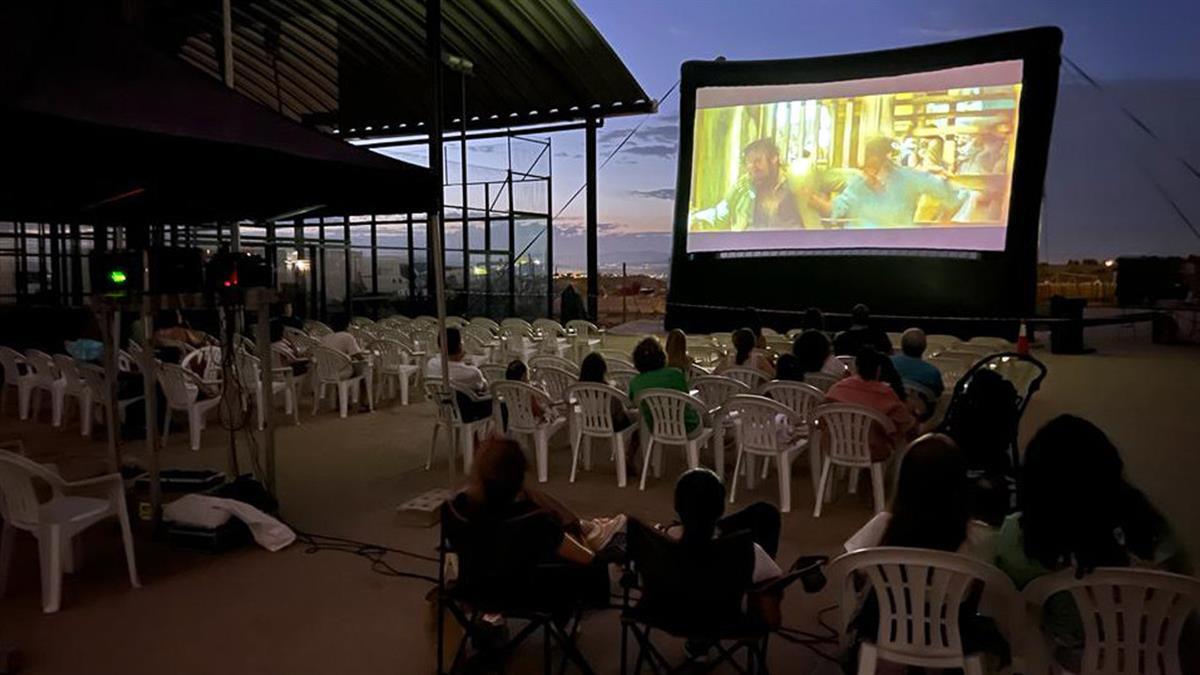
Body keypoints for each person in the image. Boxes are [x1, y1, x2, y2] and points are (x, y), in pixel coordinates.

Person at [993, 415, 1187, 669]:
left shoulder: (1017, 535)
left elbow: (1014, 615)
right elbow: (1174, 587)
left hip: (1074, 660)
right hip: (1149, 656)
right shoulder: (1145, 522)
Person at [449, 438, 623, 609]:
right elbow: (587, 560)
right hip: (529, 596)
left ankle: (586, 529)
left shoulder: (458, 509)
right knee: (577, 548)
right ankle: (588, 533)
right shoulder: (534, 519)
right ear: (519, 477)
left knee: (541, 507)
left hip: (473, 591)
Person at [844, 434, 995, 560]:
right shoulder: (979, 539)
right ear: (960, 484)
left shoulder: (883, 525)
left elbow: (847, 564)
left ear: (904, 483)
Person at [831, 136, 967, 228]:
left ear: (886, 160)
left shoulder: (909, 178)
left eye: (875, 162)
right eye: (868, 164)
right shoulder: (858, 183)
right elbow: (838, 209)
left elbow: (956, 195)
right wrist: (813, 199)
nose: (870, 170)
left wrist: (942, 223)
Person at [689, 138, 804, 231]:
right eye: (749, 163)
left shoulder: (794, 187)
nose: (752, 168)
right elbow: (719, 214)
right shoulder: (743, 188)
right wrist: (694, 217)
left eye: (757, 161)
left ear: (774, 159)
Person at [825, 349, 916, 461]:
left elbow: (822, 417)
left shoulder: (837, 388)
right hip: (872, 450)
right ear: (878, 370)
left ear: (856, 368)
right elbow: (904, 422)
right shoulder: (886, 394)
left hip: (837, 446)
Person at [627, 337, 698, 432]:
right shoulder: (675, 374)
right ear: (662, 356)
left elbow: (632, 403)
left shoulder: (635, 382)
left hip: (655, 428)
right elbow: (685, 395)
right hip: (686, 426)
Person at [425, 327, 490, 423]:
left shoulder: (431, 364)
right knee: (500, 404)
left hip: (445, 408)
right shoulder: (471, 372)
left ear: (440, 346)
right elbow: (484, 387)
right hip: (467, 411)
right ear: (460, 346)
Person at [579, 352, 633, 431]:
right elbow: (620, 411)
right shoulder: (610, 390)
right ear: (603, 370)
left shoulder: (580, 390)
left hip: (590, 423)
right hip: (612, 425)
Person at [890, 327, 944, 397]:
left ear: (902, 345)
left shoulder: (888, 363)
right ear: (924, 347)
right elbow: (938, 394)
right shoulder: (932, 372)